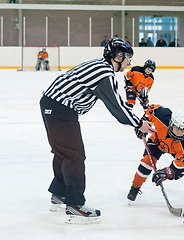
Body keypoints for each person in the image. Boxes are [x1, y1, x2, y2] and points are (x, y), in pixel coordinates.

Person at [39, 37, 156, 224]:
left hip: (52, 105)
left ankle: (59, 195)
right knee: (74, 156)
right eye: (127, 58)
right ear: (118, 56)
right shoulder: (104, 73)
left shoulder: (99, 66)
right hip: (61, 109)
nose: (128, 63)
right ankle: (75, 205)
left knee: (64, 153)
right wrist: (138, 122)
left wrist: (135, 121)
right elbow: (116, 106)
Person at [127, 104, 184, 203]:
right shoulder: (162, 115)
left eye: (183, 130)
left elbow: (180, 168)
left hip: (175, 150)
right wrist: (143, 122)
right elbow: (151, 109)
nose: (179, 132)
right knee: (146, 162)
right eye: (177, 127)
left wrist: (168, 172)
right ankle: (134, 188)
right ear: (171, 123)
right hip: (157, 142)